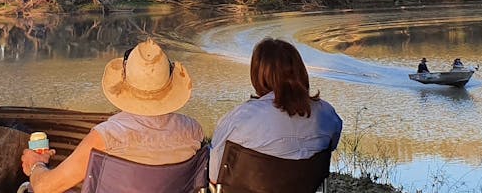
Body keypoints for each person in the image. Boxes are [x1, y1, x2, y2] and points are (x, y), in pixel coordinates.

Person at [20, 38, 203, 193]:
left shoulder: (107, 136)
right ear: (169, 83)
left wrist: (36, 164)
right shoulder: (193, 131)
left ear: (124, 81)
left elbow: (46, 187)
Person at [209, 38, 343, 184]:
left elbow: (215, 175)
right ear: (300, 71)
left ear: (258, 75)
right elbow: (331, 146)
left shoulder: (241, 118)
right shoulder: (327, 113)